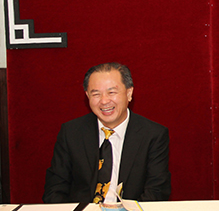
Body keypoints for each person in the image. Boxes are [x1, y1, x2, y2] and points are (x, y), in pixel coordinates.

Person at [43, 63, 171, 203]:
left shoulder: (153, 135)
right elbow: (54, 189)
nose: (104, 101)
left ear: (129, 93)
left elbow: (156, 191)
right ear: (87, 96)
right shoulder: (71, 132)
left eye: (111, 92)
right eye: (96, 94)